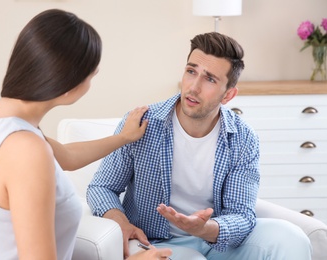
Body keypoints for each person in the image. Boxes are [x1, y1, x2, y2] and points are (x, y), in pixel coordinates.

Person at [0, 9, 171, 260]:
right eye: (92, 75)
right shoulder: (26, 150)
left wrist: (123, 137)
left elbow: (65, 156)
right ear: (69, 84)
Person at [87, 32, 312, 259]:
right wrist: (120, 222)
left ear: (229, 95)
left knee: (291, 237)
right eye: (191, 71)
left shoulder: (243, 138)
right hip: (155, 241)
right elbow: (101, 187)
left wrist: (203, 229)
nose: (194, 87)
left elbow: (242, 215)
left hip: (216, 240)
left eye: (210, 79)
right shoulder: (142, 123)